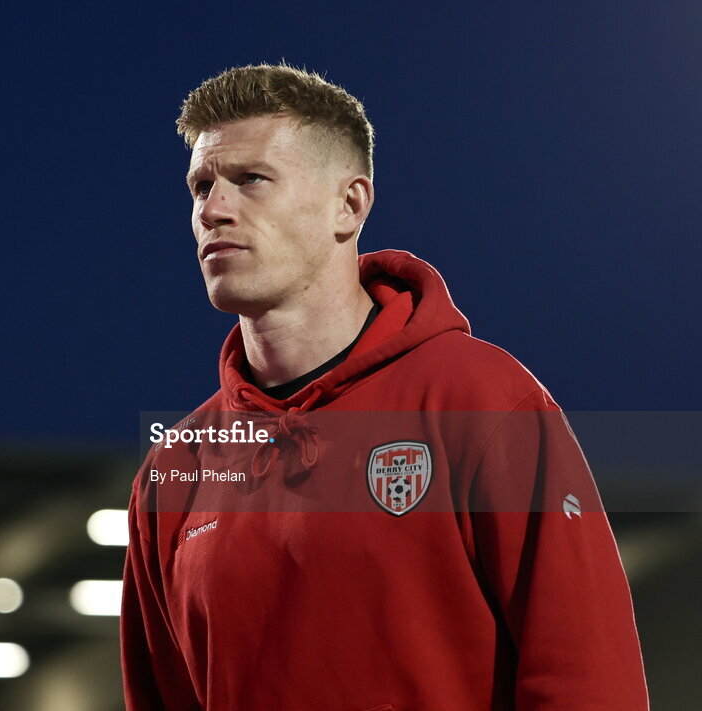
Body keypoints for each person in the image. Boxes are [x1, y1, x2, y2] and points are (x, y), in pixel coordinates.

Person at [120, 63, 648, 710]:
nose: (213, 209)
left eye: (250, 180)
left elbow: (589, 677)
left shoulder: (481, 399)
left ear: (350, 204)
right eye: (201, 185)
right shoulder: (174, 470)